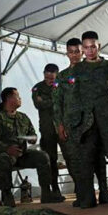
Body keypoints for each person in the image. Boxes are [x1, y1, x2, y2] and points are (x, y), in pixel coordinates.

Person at [53, 38, 108, 207]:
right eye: (71, 52)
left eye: (77, 51)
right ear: (67, 53)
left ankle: (104, 191)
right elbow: (57, 103)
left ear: (82, 52)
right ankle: (83, 194)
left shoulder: (91, 71)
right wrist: (59, 125)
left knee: (98, 157)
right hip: (71, 125)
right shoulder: (62, 76)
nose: (74, 55)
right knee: (75, 161)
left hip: (91, 122)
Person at [70, 31, 108, 208]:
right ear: (82, 49)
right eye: (86, 47)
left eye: (93, 47)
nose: (90, 50)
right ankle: (88, 198)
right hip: (86, 120)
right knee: (86, 158)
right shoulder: (78, 69)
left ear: (98, 46)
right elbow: (73, 97)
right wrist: (75, 122)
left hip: (107, 117)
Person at [0, 88, 62, 207]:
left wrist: (32, 138)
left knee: (42, 156)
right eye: (17, 96)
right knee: (3, 160)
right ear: (9, 98)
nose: (20, 98)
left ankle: (46, 193)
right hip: (4, 154)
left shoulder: (23, 117)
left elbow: (33, 133)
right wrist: (7, 149)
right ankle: (7, 194)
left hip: (22, 154)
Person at [32, 63, 65, 200]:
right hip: (47, 130)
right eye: (46, 78)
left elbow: (67, 103)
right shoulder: (37, 88)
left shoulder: (63, 85)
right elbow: (38, 104)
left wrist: (47, 101)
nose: (49, 81)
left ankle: (80, 188)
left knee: (70, 156)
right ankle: (54, 189)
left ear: (57, 75)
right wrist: (55, 101)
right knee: (50, 160)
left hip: (63, 127)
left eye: (52, 78)